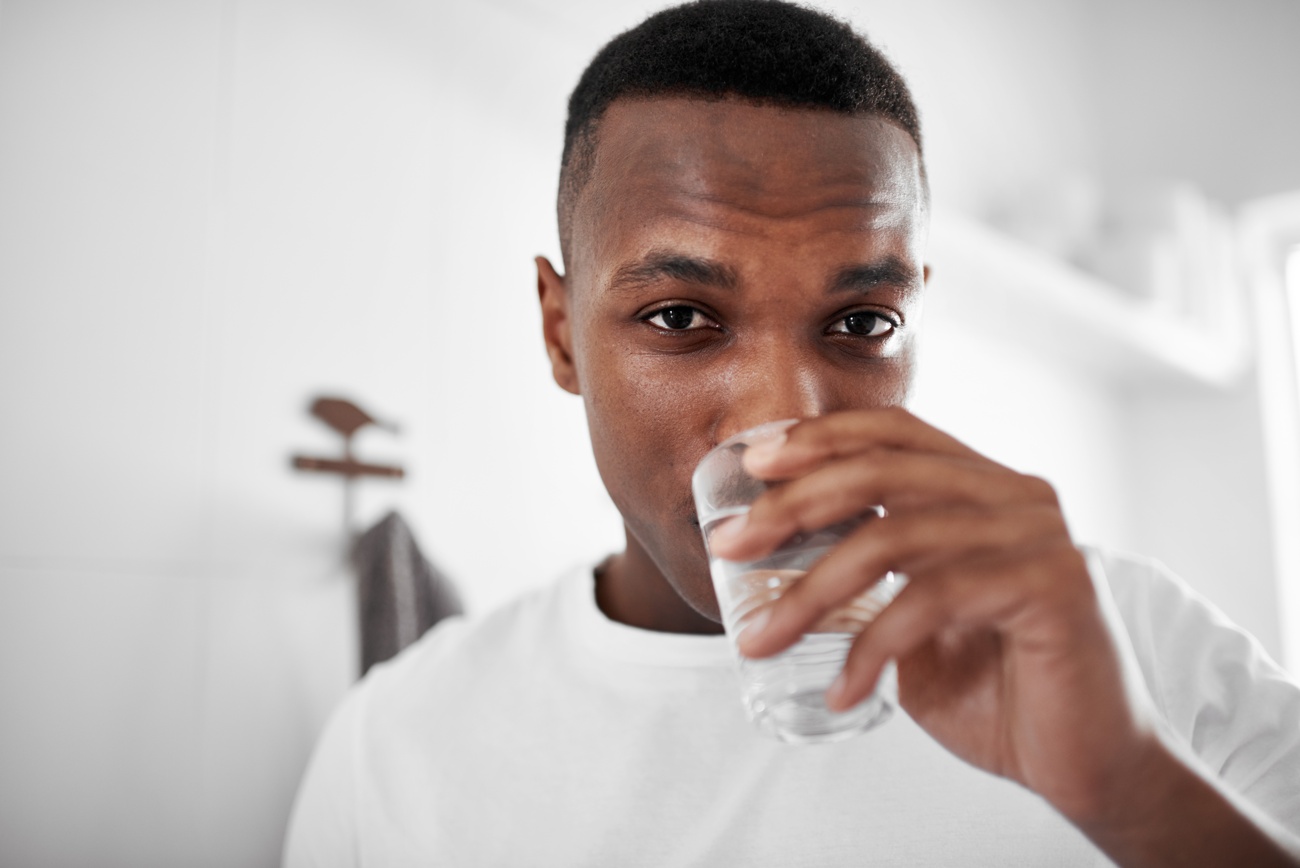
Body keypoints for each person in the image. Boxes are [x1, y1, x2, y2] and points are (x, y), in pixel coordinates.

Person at [284, 1, 1300, 864]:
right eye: (680, 317)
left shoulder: (1135, 652)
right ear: (561, 332)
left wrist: (1129, 785)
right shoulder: (397, 747)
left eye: (861, 324)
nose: (781, 424)